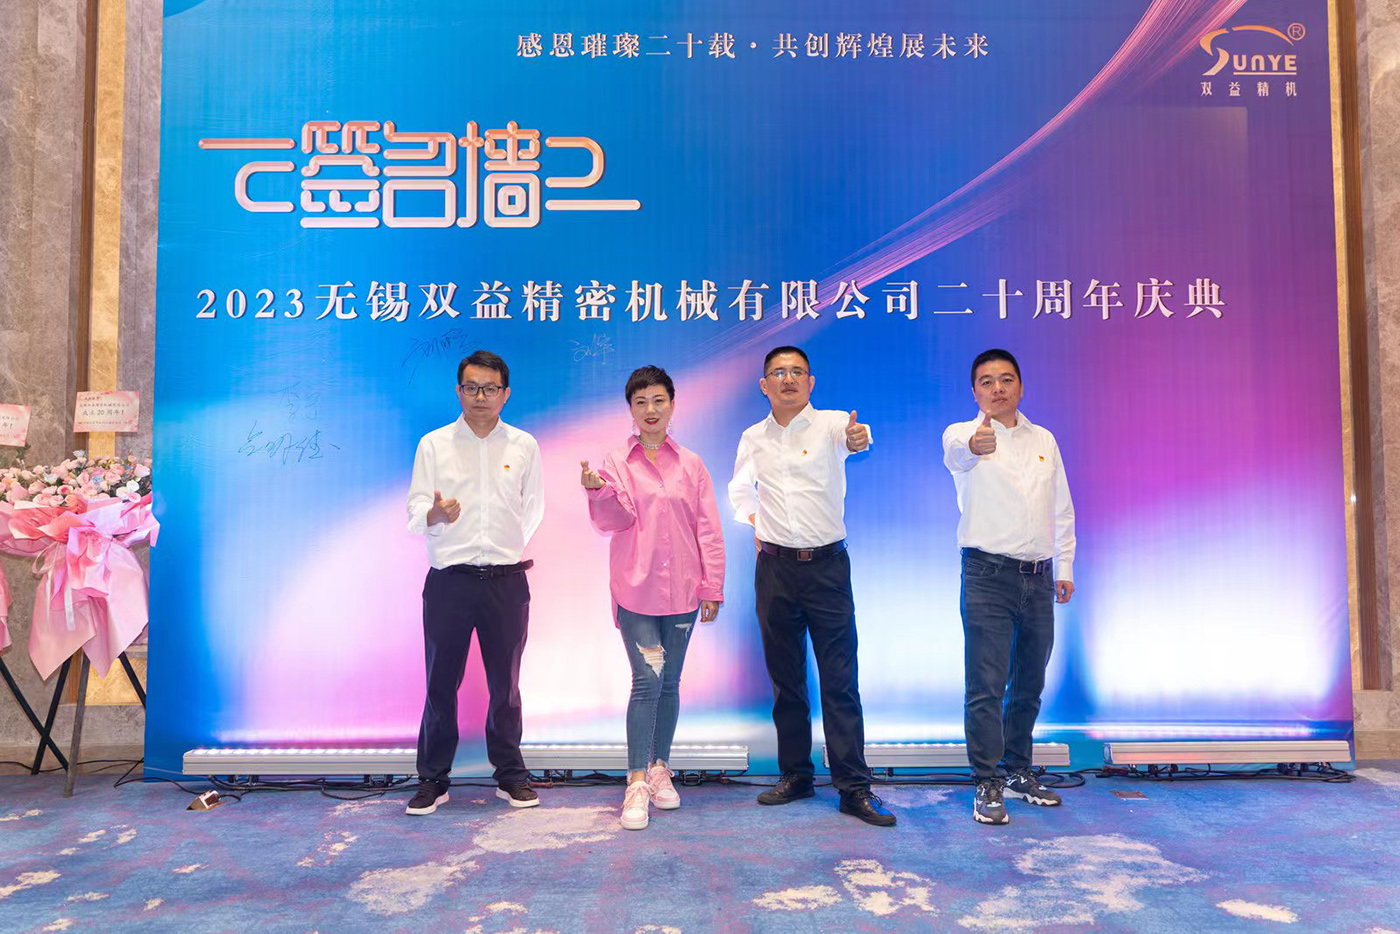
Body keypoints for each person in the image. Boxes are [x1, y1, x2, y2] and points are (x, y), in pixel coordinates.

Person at [727, 345, 895, 828]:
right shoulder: (753, 437)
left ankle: (854, 787)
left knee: (840, 681)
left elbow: (856, 438)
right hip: (774, 569)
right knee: (786, 682)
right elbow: (739, 490)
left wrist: (859, 438)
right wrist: (755, 520)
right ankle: (796, 775)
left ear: (811, 382)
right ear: (764, 385)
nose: (788, 379)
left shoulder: (833, 425)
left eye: (797, 371)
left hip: (827, 569)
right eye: (778, 372)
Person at [581, 365, 725, 831]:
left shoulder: (692, 464)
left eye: (658, 400)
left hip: (683, 592)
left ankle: (661, 767)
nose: (650, 409)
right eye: (640, 402)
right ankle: (637, 781)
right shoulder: (616, 462)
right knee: (647, 681)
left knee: (670, 683)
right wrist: (598, 491)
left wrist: (712, 585)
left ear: (672, 404)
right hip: (636, 590)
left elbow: (708, 529)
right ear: (630, 408)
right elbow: (614, 521)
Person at [404, 350, 545, 816]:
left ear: (505, 394)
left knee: (506, 685)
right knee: (440, 683)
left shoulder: (523, 445)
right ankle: (432, 779)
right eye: (471, 387)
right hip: (450, 582)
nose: (480, 396)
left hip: (506, 582)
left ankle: (510, 775)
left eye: (490, 388)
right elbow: (415, 509)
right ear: (458, 391)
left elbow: (532, 508)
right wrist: (435, 515)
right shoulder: (434, 445)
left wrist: (504, 548)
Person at [942, 348, 1076, 825]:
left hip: (1038, 577)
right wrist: (974, 445)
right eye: (987, 381)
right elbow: (958, 453)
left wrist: (1065, 567)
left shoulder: (1044, 440)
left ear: (1021, 385)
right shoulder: (962, 434)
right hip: (987, 575)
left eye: (1006, 379)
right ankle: (987, 780)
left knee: (1029, 684)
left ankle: (1019, 771)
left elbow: (1061, 506)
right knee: (986, 684)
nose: (997, 388)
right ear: (974, 391)